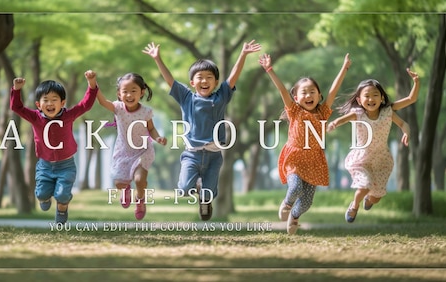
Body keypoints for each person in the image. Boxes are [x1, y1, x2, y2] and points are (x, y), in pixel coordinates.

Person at [143, 40, 262, 221]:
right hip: (192, 154)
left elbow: (233, 76)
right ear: (192, 82)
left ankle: (205, 201)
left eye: (209, 77)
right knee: (183, 189)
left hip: (214, 155)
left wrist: (243, 54)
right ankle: (196, 185)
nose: (204, 80)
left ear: (215, 82)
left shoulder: (221, 95)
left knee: (209, 194)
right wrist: (157, 59)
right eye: (200, 77)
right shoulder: (186, 98)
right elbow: (170, 80)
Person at [258, 52, 351, 234]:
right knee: (294, 188)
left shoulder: (323, 113)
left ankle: (295, 216)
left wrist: (344, 68)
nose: (308, 95)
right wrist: (270, 70)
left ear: (319, 95)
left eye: (312, 92)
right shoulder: (294, 111)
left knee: (307, 201)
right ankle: (286, 203)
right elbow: (282, 91)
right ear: (296, 97)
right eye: (304, 92)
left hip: (314, 160)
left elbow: (333, 90)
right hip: (295, 157)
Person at [327, 68, 419, 223]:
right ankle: (354, 206)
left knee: (376, 197)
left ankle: (369, 200)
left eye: (375, 95)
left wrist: (416, 82)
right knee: (364, 185)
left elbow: (410, 102)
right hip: (361, 158)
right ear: (359, 100)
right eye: (367, 96)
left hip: (381, 160)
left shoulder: (388, 111)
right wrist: (334, 124)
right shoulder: (358, 113)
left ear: (382, 97)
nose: (371, 99)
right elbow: (341, 120)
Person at [10, 70, 99, 224]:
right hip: (44, 165)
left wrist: (91, 84)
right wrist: (16, 90)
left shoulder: (68, 115)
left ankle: (62, 208)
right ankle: (44, 198)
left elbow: (85, 104)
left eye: (54, 99)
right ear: (38, 104)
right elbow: (17, 108)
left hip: (66, 165)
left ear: (62, 103)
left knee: (62, 195)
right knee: (41, 194)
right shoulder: (35, 117)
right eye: (46, 100)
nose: (50, 103)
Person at [95, 73, 167, 220]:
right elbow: (102, 101)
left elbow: (151, 129)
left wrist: (157, 137)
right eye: (125, 91)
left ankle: (140, 200)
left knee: (140, 179)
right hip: (124, 152)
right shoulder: (118, 108)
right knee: (119, 184)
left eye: (133, 90)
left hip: (143, 151)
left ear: (142, 92)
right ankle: (126, 189)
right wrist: (92, 82)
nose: (129, 94)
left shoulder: (145, 112)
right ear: (119, 94)